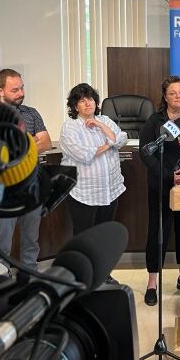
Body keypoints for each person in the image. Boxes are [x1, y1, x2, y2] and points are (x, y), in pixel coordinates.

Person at [0, 68, 52, 270]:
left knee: (30, 241)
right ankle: (1, 285)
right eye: (14, 90)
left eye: (22, 88)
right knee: (2, 245)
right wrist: (32, 140)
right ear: (0, 91)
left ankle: (31, 280)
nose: (21, 93)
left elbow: (47, 142)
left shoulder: (31, 113)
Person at [139, 76, 180, 306]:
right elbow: (145, 153)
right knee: (158, 232)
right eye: (173, 93)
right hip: (161, 184)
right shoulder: (155, 121)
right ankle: (152, 283)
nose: (178, 96)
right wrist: (169, 175)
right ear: (165, 97)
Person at [59, 83, 127, 245]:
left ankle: (101, 270)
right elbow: (83, 154)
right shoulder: (70, 127)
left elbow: (121, 139)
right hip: (84, 192)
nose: (88, 103)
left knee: (104, 235)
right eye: (82, 101)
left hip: (110, 189)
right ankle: (83, 271)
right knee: (84, 238)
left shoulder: (105, 120)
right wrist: (109, 144)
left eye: (90, 99)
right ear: (75, 107)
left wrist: (100, 125)